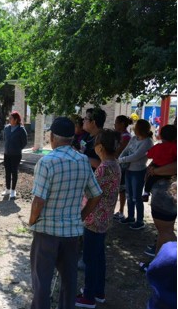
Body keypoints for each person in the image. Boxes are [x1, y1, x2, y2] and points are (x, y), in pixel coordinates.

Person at [29, 117, 102, 309]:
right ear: (71, 138)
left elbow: (38, 200)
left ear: (52, 137)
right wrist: (81, 218)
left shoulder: (46, 162)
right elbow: (95, 195)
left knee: (41, 281)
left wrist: (32, 221)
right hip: (72, 233)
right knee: (69, 280)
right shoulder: (83, 160)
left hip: (46, 232)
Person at [76, 129, 122, 309]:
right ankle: (98, 291)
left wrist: (81, 212)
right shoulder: (114, 164)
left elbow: (92, 193)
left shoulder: (104, 168)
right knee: (99, 257)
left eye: (95, 144)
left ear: (100, 147)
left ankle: (88, 296)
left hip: (94, 220)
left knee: (89, 258)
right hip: (104, 219)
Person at [118, 118, 155, 230]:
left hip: (138, 172)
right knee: (129, 195)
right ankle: (130, 217)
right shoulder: (134, 138)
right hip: (129, 170)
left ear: (140, 129)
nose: (134, 128)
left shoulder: (148, 142)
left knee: (136, 197)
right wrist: (121, 158)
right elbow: (126, 150)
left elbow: (136, 156)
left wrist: (120, 160)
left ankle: (139, 221)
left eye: (136, 127)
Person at [3, 111, 28, 198]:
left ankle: (13, 190)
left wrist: (17, 148)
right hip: (7, 154)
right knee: (7, 172)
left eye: (11, 118)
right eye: (9, 118)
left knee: (14, 172)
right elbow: (5, 139)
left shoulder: (21, 129)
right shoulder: (6, 128)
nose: (9, 119)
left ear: (16, 119)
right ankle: (7, 189)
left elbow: (24, 142)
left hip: (16, 155)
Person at [114, 115, 133, 221]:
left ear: (122, 124)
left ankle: (121, 211)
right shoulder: (120, 135)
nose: (115, 125)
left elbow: (119, 151)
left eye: (116, 122)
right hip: (118, 164)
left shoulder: (126, 137)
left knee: (121, 189)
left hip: (122, 166)